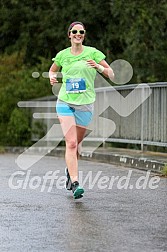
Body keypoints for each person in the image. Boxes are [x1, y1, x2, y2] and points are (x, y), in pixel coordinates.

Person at [49, 21, 114, 199]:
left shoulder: (92, 52)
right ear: (69, 34)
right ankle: (76, 183)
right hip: (65, 102)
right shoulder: (62, 55)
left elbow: (112, 74)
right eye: (75, 31)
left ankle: (70, 173)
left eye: (81, 32)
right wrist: (52, 78)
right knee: (70, 143)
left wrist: (99, 67)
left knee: (77, 146)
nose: (78, 34)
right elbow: (52, 70)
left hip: (85, 105)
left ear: (84, 35)